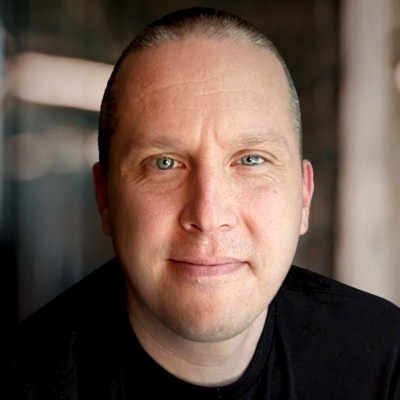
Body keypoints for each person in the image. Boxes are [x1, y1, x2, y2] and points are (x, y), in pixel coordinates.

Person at [5, 7, 400, 399]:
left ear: (304, 195)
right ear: (105, 197)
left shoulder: (386, 362)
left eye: (251, 160)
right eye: (164, 163)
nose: (208, 216)